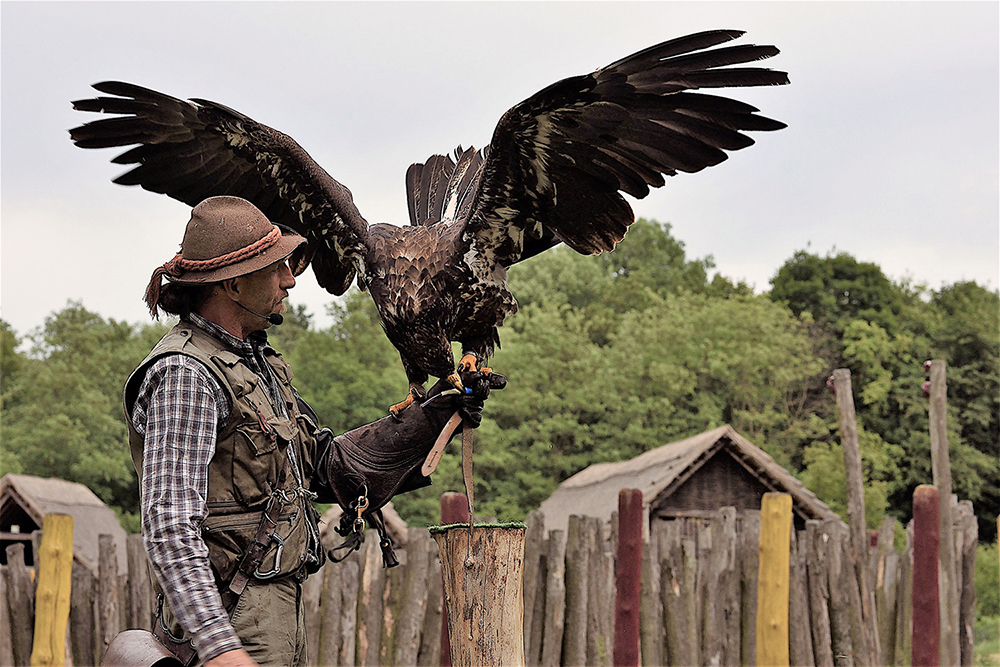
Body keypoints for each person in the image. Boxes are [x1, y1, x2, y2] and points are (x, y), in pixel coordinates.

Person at [124, 196, 491, 667]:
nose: (289, 279)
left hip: (273, 617)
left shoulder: (256, 367)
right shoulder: (186, 375)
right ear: (234, 284)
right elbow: (170, 525)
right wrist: (219, 650)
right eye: (274, 267)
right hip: (227, 627)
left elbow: (323, 469)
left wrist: (437, 413)